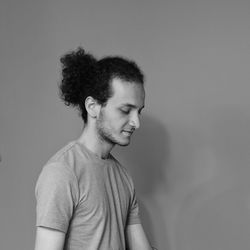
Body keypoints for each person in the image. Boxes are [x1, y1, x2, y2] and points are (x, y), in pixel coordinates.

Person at [34, 47, 153, 250]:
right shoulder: (62, 172)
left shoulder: (122, 176)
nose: (136, 122)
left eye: (138, 112)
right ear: (93, 107)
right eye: (126, 110)